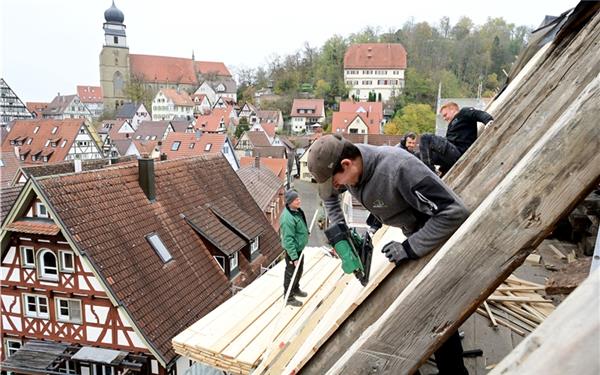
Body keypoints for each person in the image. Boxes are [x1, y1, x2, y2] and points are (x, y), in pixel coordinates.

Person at [307, 134, 470, 375]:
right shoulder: (350, 163)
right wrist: (341, 234)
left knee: (434, 306)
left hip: (435, 230)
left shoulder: (399, 168)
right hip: (412, 229)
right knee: (420, 306)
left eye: (336, 182)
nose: (337, 188)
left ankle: (454, 372)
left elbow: (454, 213)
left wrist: (409, 247)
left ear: (346, 165)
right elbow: (329, 199)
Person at [420, 102, 493, 176]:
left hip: (459, 151)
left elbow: (477, 114)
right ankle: (431, 174)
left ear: (452, 110)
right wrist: (442, 171)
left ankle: (430, 173)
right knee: (419, 155)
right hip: (451, 154)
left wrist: (488, 121)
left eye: (445, 115)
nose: (444, 118)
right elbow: (446, 151)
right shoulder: (450, 127)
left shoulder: (463, 113)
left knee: (426, 137)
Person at [280, 189, 309, 307]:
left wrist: (305, 232)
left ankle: (296, 288)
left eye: (298, 198)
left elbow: (300, 225)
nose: (299, 200)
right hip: (293, 251)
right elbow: (288, 240)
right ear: (290, 202)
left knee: (299, 271)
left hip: (299, 249)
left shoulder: (296, 211)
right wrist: (294, 257)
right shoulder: (287, 218)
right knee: (291, 273)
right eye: (296, 199)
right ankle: (288, 297)